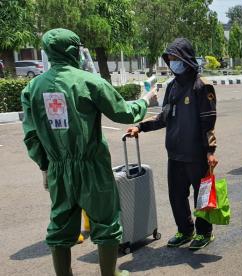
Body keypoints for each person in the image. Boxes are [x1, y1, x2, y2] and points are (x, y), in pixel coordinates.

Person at [21, 28, 157, 276]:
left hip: (58, 169)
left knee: (60, 226)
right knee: (106, 222)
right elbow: (123, 113)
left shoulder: (32, 88)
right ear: (73, 51)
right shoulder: (90, 81)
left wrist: (45, 166)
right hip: (92, 166)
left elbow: (30, 135)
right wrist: (145, 99)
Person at [127, 38, 218, 250]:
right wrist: (140, 127)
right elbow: (164, 117)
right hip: (175, 153)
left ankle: (204, 233)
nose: (172, 62)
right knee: (176, 195)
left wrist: (210, 151)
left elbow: (208, 123)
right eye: (170, 59)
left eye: (176, 58)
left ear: (186, 58)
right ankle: (185, 230)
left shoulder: (202, 86)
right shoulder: (173, 87)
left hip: (196, 154)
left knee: (201, 195)